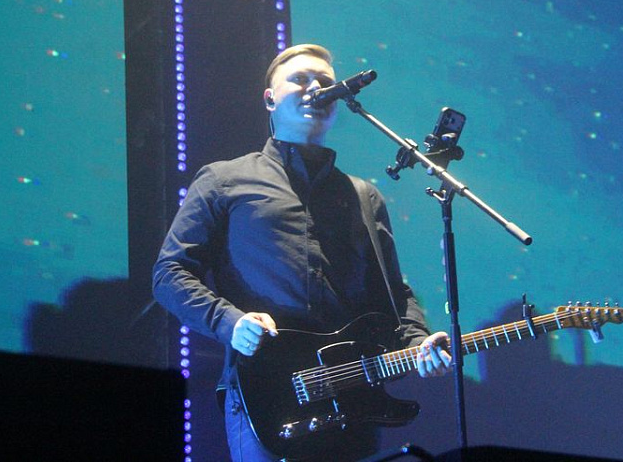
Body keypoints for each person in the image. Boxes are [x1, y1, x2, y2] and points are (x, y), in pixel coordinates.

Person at [153, 44, 452, 461]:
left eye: (325, 82)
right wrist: (230, 322)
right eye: (300, 79)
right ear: (270, 99)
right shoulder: (225, 180)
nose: (316, 88)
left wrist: (417, 341)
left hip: (354, 396)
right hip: (267, 394)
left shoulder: (363, 197)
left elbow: (392, 293)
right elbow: (170, 273)